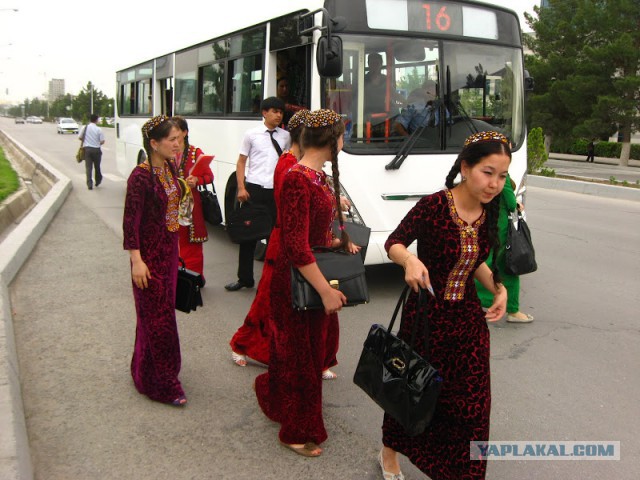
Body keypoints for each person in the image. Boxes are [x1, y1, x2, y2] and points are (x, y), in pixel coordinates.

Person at [379, 130, 509, 479]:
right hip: (426, 318)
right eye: (487, 172)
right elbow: (394, 242)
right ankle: (389, 450)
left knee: (473, 407)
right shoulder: (435, 205)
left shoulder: (489, 211)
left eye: (502, 175)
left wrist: (498, 289)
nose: (494, 183)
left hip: (466, 322)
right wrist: (408, 261)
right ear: (465, 168)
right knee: (410, 392)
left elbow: (475, 259)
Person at [254, 109, 360, 458]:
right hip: (298, 278)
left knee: (301, 351)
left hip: (308, 271)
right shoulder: (299, 177)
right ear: (331, 140)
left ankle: (276, 398)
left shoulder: (316, 176)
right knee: (300, 354)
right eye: (342, 136)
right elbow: (297, 247)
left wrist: (338, 244)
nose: (344, 143)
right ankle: (295, 430)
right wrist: (326, 290)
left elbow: (312, 237)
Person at [123, 115, 187, 406]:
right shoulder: (140, 176)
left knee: (158, 317)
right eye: (172, 139)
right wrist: (137, 260)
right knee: (157, 320)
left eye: (180, 138)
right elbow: (130, 223)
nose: (178, 144)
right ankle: (162, 384)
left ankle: (143, 369)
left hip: (169, 253)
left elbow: (171, 209)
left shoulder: (170, 169)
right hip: (148, 259)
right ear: (154, 143)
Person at [225, 97, 291, 292]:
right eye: (274, 111)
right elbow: (241, 162)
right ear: (264, 113)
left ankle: (272, 281)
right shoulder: (251, 135)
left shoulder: (286, 136)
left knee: (274, 239)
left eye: (280, 111)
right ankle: (245, 279)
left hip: (275, 192)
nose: (278, 115)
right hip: (253, 190)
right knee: (248, 236)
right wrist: (241, 187)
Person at [475, 175, 534, 323]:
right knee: (509, 267)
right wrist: (517, 205)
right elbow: (510, 202)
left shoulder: (482, 172)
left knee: (484, 264)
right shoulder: (502, 176)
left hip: (486, 224)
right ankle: (513, 310)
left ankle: (480, 301)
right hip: (500, 228)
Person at [172, 116, 213, 281]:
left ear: (185, 132)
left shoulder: (195, 153)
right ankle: (175, 276)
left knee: (192, 244)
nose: (173, 136)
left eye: (176, 132)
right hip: (171, 204)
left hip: (191, 205)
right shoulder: (166, 152)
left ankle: (194, 278)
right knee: (173, 241)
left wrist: (196, 180)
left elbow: (209, 176)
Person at [79, 114, 105, 190]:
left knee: (88, 168)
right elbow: (102, 141)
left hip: (87, 150)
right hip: (96, 150)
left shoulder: (84, 127)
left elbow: (80, 137)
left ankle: (89, 184)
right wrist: (96, 143)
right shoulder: (99, 129)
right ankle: (98, 181)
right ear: (96, 120)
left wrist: (86, 142)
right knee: (97, 167)